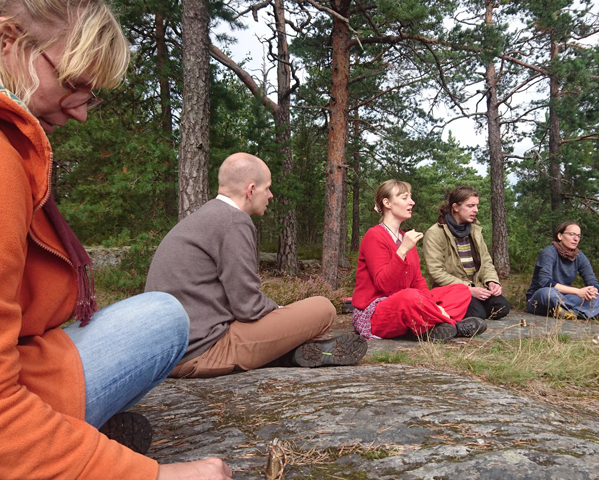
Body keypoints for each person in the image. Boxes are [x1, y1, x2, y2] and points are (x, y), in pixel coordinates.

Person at [0, 1, 232, 478]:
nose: (82, 113)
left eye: (92, 93)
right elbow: (246, 302)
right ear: (10, 42)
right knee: (167, 317)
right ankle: (61, 445)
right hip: (18, 407)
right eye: (74, 84)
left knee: (167, 315)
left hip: (29, 355)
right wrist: (151, 474)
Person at [145, 152, 367, 378]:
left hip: (168, 353)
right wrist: (279, 311)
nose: (270, 195)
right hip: (201, 352)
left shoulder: (204, 217)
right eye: (267, 188)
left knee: (290, 320)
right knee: (323, 308)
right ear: (251, 190)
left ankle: (287, 354)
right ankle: (286, 353)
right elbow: (248, 306)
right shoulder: (234, 221)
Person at [351, 180, 487, 343]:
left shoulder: (405, 237)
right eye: (404, 197)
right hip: (376, 312)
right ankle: (454, 326)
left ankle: (425, 327)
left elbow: (418, 281)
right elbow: (383, 285)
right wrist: (402, 251)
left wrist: (430, 303)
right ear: (387, 203)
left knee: (460, 290)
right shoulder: (374, 236)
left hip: (408, 305)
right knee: (410, 297)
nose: (412, 202)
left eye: (411, 197)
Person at [423, 186, 511, 321]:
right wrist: (467, 289)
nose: (476, 210)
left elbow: (486, 262)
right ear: (455, 207)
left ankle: (466, 309)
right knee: (478, 314)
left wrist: (492, 281)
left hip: (477, 287)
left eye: (476, 205)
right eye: (470, 206)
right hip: (452, 291)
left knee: (502, 307)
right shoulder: (435, 233)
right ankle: (445, 310)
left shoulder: (474, 230)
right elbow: (436, 272)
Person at [525, 221, 599, 320]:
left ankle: (570, 312)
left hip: (566, 299)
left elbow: (593, 282)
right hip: (541, 301)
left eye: (578, 236)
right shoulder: (548, 252)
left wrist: (592, 291)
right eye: (572, 234)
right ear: (560, 236)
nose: (576, 239)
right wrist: (578, 292)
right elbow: (545, 282)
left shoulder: (579, 256)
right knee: (548, 292)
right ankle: (585, 312)